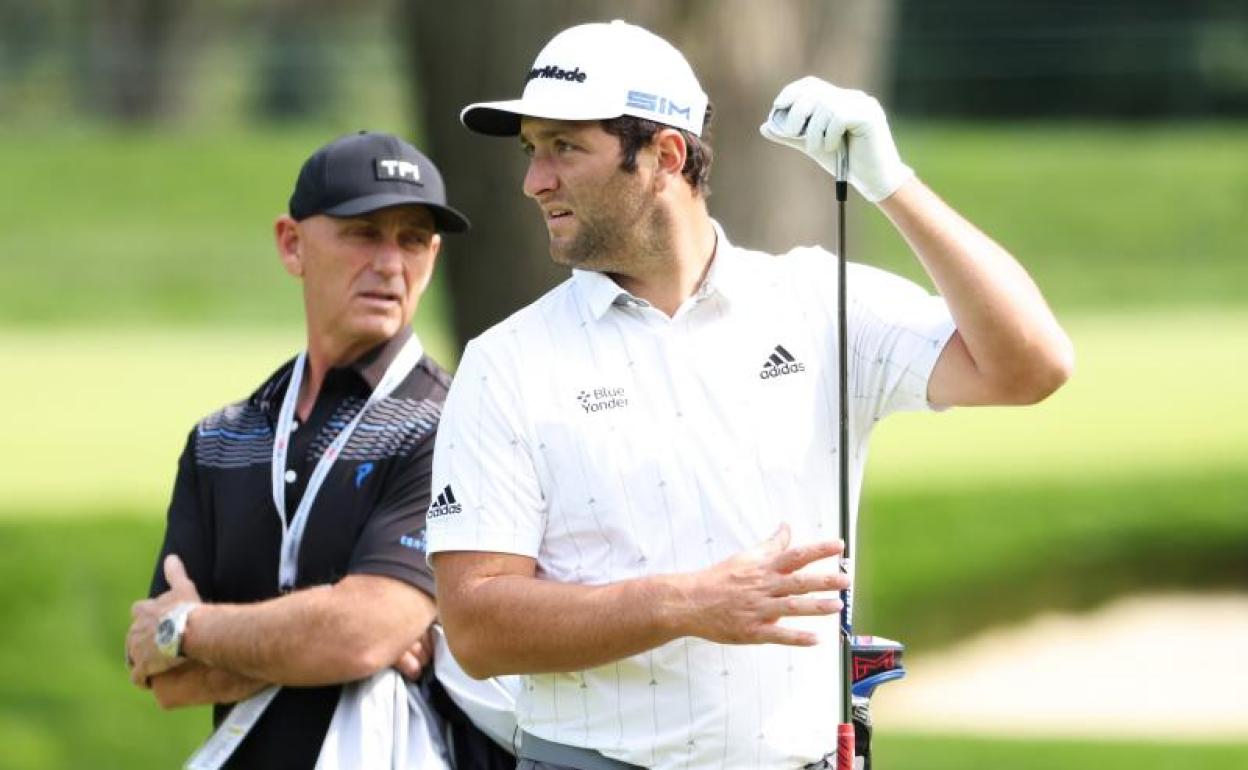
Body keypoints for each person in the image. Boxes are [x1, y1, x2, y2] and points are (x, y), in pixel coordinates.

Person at [427, 19, 1074, 770]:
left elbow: (1031, 364)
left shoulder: (809, 300)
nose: (535, 180)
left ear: (665, 156)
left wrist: (890, 184)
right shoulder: (506, 362)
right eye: (532, 150)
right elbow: (476, 627)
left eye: (565, 147)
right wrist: (686, 604)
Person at [124, 131, 509, 769]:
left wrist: (191, 628)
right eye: (363, 232)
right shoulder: (221, 440)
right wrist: (331, 635)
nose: (391, 263)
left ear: (433, 256)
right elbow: (166, 679)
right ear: (291, 244)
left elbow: (360, 634)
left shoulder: (453, 426)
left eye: (413, 239)